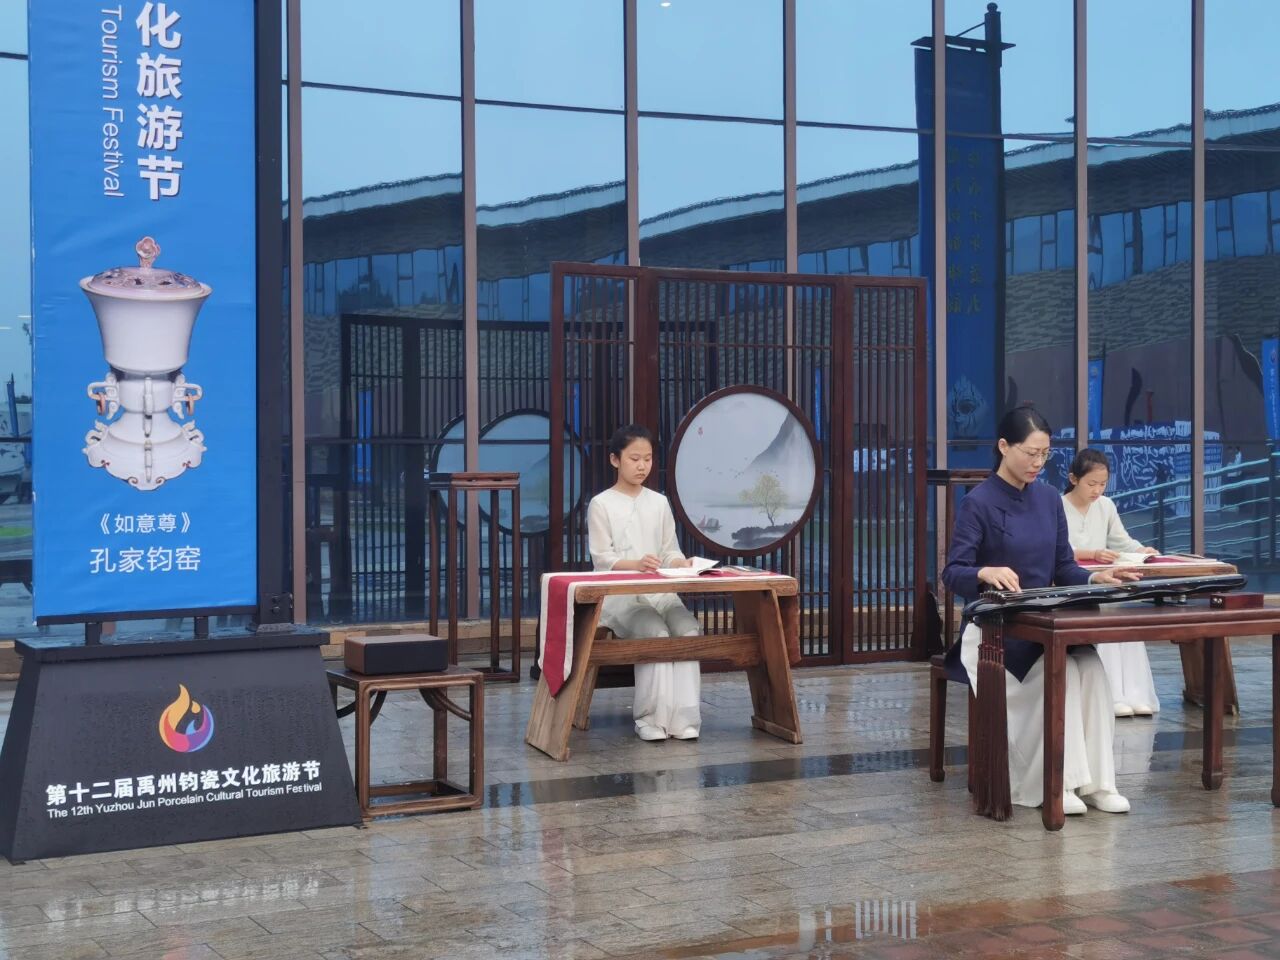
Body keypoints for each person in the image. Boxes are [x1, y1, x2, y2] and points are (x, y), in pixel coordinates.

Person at [942, 407, 1139, 815]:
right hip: (995, 633)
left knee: (1091, 669)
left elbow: (1064, 566)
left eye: (1044, 454)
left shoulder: (1049, 499)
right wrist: (984, 571)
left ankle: (1098, 784)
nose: (1038, 463)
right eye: (1030, 453)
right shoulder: (978, 503)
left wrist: (1094, 578)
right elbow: (952, 572)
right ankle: (1058, 783)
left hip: (1042, 624)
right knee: (1061, 674)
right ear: (1003, 447)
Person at [586, 424, 701, 742]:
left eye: (647, 459)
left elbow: (669, 551)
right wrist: (635, 565)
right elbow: (602, 559)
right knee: (655, 632)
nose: (642, 466)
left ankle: (684, 717)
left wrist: (681, 563)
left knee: (688, 629)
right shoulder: (601, 504)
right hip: (620, 596)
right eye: (634, 459)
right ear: (615, 460)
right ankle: (650, 718)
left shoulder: (659, 503)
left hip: (661, 592)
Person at [1062, 448, 1160, 717]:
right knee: (1104, 618)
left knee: (1124, 617)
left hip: (1105, 580)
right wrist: (1092, 553)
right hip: (1075, 582)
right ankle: (1111, 695)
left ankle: (1135, 693)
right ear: (1073, 479)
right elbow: (1058, 549)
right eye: (1091, 484)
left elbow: (1121, 540)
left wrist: (1141, 551)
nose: (1097, 490)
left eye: (1103, 484)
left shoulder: (1106, 506)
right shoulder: (1058, 506)